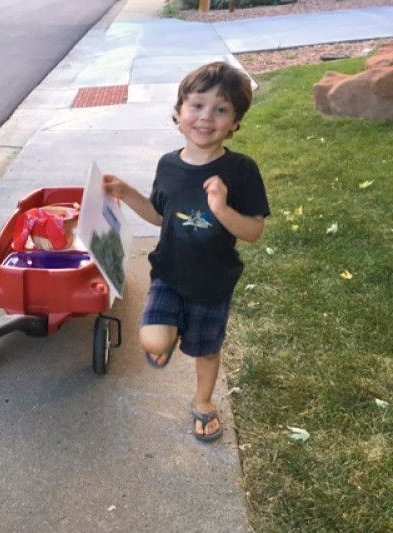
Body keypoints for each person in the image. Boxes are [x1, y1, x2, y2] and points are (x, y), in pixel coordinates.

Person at [103, 62, 270, 443]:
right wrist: (126, 192)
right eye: (197, 105)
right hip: (169, 274)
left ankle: (203, 402)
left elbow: (254, 232)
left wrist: (222, 210)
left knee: (206, 351)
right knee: (152, 342)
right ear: (179, 112)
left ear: (235, 123)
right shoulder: (169, 164)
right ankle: (167, 335)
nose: (206, 117)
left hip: (213, 284)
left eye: (221, 109)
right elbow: (162, 218)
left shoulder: (242, 170)